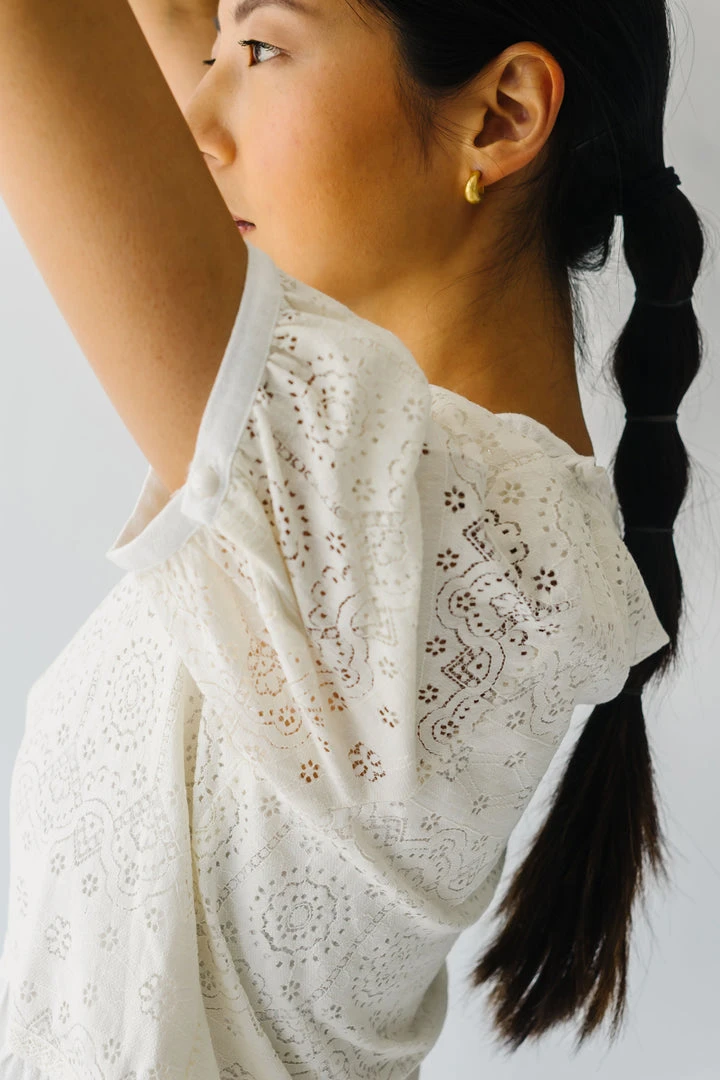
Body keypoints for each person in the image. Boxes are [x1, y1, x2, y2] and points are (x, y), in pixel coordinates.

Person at [0, 0, 709, 1077]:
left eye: (259, 50)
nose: (194, 120)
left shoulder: (415, 533)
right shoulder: (416, 504)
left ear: (502, 116)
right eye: (220, 52)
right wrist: (254, 41)